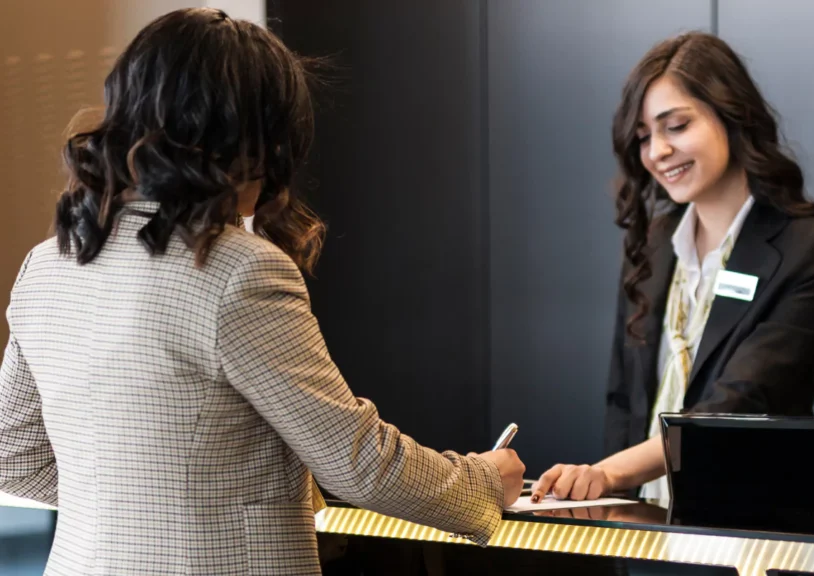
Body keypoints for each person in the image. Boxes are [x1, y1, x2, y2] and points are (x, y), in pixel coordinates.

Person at [0, 8, 524, 576]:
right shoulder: (239, 270)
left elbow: (13, 456)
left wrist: (152, 501)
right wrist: (482, 483)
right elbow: (357, 461)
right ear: (252, 137)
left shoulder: (49, 264)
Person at [533, 32, 814, 506]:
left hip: (748, 530)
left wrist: (605, 474)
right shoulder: (653, 245)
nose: (658, 152)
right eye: (645, 137)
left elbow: (738, 404)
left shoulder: (811, 249)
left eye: (676, 126)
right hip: (640, 528)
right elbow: (623, 401)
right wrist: (611, 506)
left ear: (732, 115)